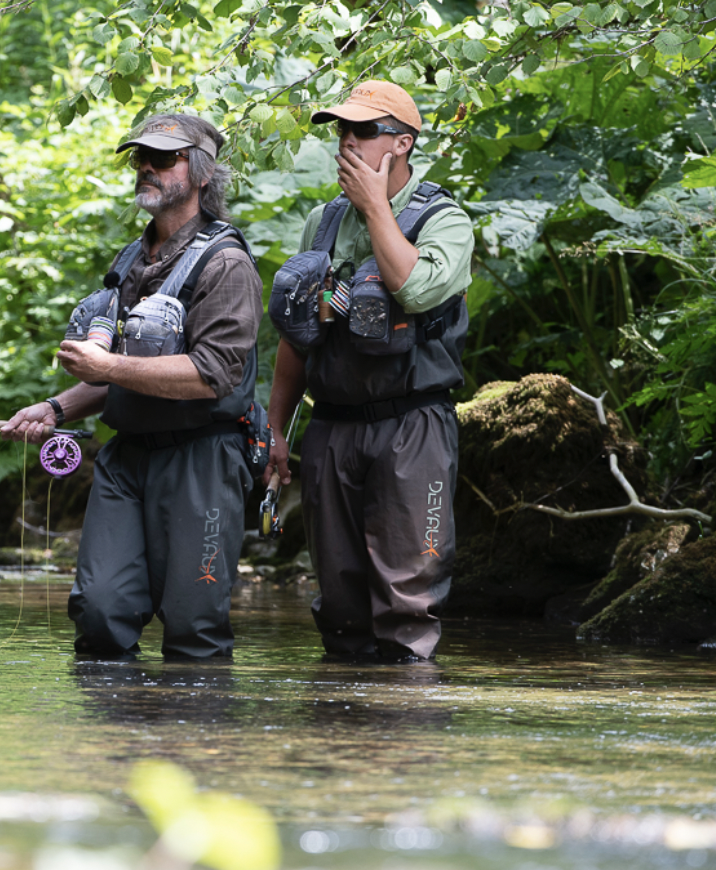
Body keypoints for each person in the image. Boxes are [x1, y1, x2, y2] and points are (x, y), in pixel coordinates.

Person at [2, 114, 263, 659]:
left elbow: (212, 374)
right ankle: (119, 718)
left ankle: (195, 718)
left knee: (194, 630)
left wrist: (107, 368)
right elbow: (120, 373)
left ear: (202, 174)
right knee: (99, 615)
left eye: (164, 158)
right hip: (127, 459)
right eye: (141, 157)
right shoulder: (129, 259)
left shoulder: (227, 264)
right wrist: (55, 408)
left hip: (201, 460)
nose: (147, 166)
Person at [265, 81, 475, 663]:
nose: (346, 143)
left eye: (362, 131)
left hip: (413, 427)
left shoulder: (445, 221)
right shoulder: (323, 222)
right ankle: (344, 717)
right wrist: (275, 428)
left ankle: (404, 713)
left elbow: (414, 288)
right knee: (339, 606)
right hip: (331, 428)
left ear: (403, 143)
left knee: (407, 605)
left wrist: (377, 207)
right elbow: (297, 335)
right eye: (341, 131)